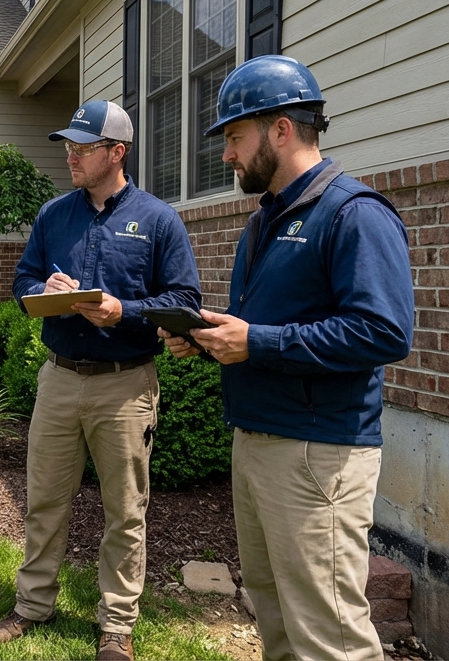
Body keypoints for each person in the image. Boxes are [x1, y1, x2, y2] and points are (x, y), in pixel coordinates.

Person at [160, 55, 413, 661]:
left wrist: (256, 342)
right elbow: (270, 328)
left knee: (328, 636)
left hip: (316, 455)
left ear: (281, 129)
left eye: (234, 137)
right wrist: (211, 339)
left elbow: (384, 332)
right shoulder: (264, 222)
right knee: (273, 617)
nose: (227, 156)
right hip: (258, 443)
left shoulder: (353, 213)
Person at [0, 100, 202, 661]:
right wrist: (46, 291)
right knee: (44, 502)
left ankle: (117, 624)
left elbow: (183, 300)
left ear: (117, 152)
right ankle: (33, 604)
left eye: (83, 147)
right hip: (58, 379)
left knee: (125, 510)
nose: (71, 155)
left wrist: (122, 311)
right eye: (69, 145)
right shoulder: (54, 215)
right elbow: (23, 280)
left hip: (125, 385)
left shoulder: (158, 220)